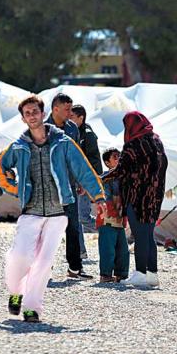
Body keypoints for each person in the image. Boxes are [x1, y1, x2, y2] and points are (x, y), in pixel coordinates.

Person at [0, 95, 105, 323]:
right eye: (27, 113)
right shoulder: (18, 146)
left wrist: (99, 196)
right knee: (20, 256)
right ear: (23, 118)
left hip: (58, 212)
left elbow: (83, 168)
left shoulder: (63, 142)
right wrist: (14, 188)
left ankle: (31, 307)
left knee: (43, 263)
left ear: (43, 113)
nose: (32, 116)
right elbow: (0, 168)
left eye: (35, 111)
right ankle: (16, 292)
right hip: (31, 211)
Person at [103, 111, 168, 288]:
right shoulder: (157, 141)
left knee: (139, 236)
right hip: (154, 197)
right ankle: (152, 274)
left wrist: (101, 178)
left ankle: (140, 273)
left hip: (137, 197)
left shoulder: (133, 145)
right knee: (148, 235)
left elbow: (121, 170)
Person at [45, 93, 91, 278]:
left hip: (70, 186)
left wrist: (80, 180)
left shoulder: (73, 128)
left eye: (71, 109)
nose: (70, 113)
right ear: (55, 109)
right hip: (48, 187)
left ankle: (75, 268)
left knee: (73, 226)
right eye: (66, 109)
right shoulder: (42, 128)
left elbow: (77, 156)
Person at [97, 147, 129, 283]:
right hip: (107, 218)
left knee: (123, 249)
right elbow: (106, 198)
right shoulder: (105, 178)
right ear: (107, 162)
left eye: (120, 157)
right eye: (115, 157)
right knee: (108, 248)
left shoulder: (125, 177)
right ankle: (105, 274)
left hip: (120, 218)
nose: (119, 159)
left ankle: (122, 274)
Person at [70, 104, 102, 234]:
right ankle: (80, 251)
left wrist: (86, 183)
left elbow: (93, 161)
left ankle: (110, 231)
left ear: (81, 118)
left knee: (83, 217)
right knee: (75, 218)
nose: (68, 119)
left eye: (71, 116)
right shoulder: (73, 133)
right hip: (75, 180)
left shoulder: (88, 135)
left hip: (84, 181)